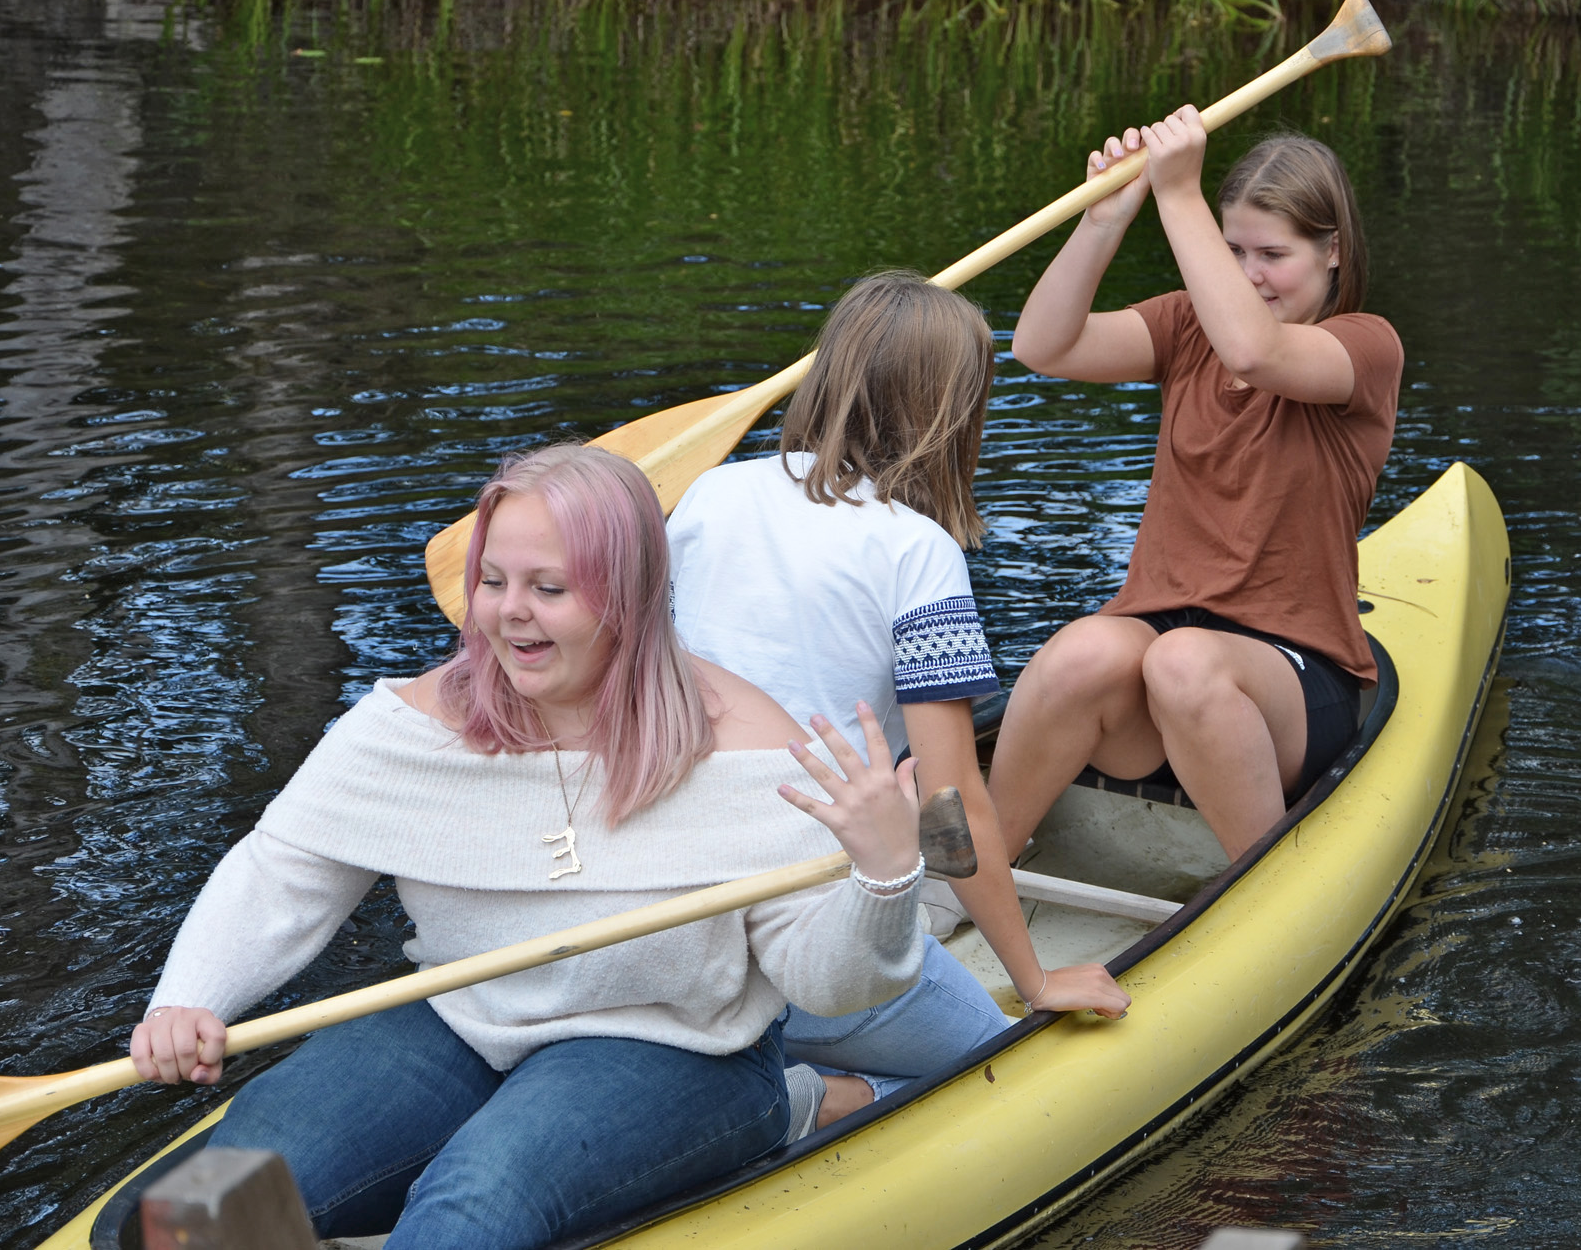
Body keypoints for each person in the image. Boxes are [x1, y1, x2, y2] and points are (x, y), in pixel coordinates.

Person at [129, 444, 928, 1250]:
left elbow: (825, 981)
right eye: (493, 580)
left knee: (470, 1206)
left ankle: (788, 1103)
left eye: (548, 588)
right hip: (465, 1017)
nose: (510, 611)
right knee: (203, 1207)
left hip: (680, 1044)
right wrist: (187, 997)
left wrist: (883, 877)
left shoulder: (749, 749)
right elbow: (283, 872)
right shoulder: (411, 729)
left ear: (628, 597)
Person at [667, 273, 1130, 1136]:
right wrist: (1033, 980)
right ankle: (811, 1099)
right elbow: (949, 805)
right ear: (954, 413)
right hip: (809, 953)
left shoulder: (705, 497)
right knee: (1002, 1074)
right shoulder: (916, 553)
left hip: (678, 911)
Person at [988, 115, 1402, 865]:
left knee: (1184, 662)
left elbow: (1258, 348)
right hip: (1158, 676)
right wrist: (1105, 217)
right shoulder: (1188, 328)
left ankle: (1268, 897)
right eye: (1233, 248)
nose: (1246, 272)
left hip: (1289, 686)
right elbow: (1041, 345)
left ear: (1333, 250)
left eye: (1272, 254)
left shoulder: (1365, 348)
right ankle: (975, 876)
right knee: (1080, 651)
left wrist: (1179, 195)